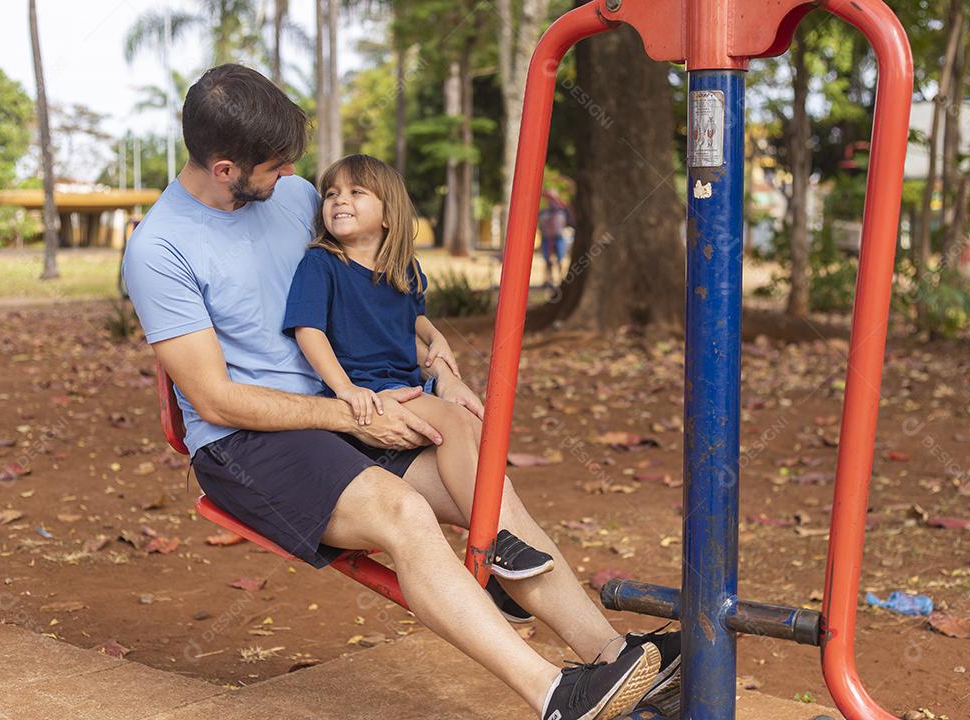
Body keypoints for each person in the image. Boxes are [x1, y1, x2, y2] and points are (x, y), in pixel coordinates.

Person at [122, 64, 680, 720]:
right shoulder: (160, 248)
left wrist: (435, 355)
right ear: (223, 168)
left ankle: (612, 655)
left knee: (490, 494)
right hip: (248, 442)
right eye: (273, 167)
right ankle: (555, 696)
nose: (288, 179)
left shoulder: (297, 199)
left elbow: (369, 295)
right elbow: (214, 400)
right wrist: (355, 411)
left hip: (350, 412)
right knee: (404, 515)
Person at [285, 153, 554, 582]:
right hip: (371, 393)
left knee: (473, 422)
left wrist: (435, 337)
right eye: (332, 193)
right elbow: (308, 330)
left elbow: (409, 320)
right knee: (451, 418)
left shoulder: (402, 268)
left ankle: (494, 572)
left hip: (407, 384)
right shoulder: (322, 264)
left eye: (357, 192)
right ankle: (493, 542)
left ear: (389, 214)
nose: (339, 200)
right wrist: (345, 389)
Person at [538, 189, 572, 290]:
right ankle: (548, 280)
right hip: (546, 238)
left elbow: (570, 220)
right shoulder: (544, 212)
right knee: (547, 260)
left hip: (558, 238)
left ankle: (562, 279)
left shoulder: (562, 211)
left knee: (561, 259)